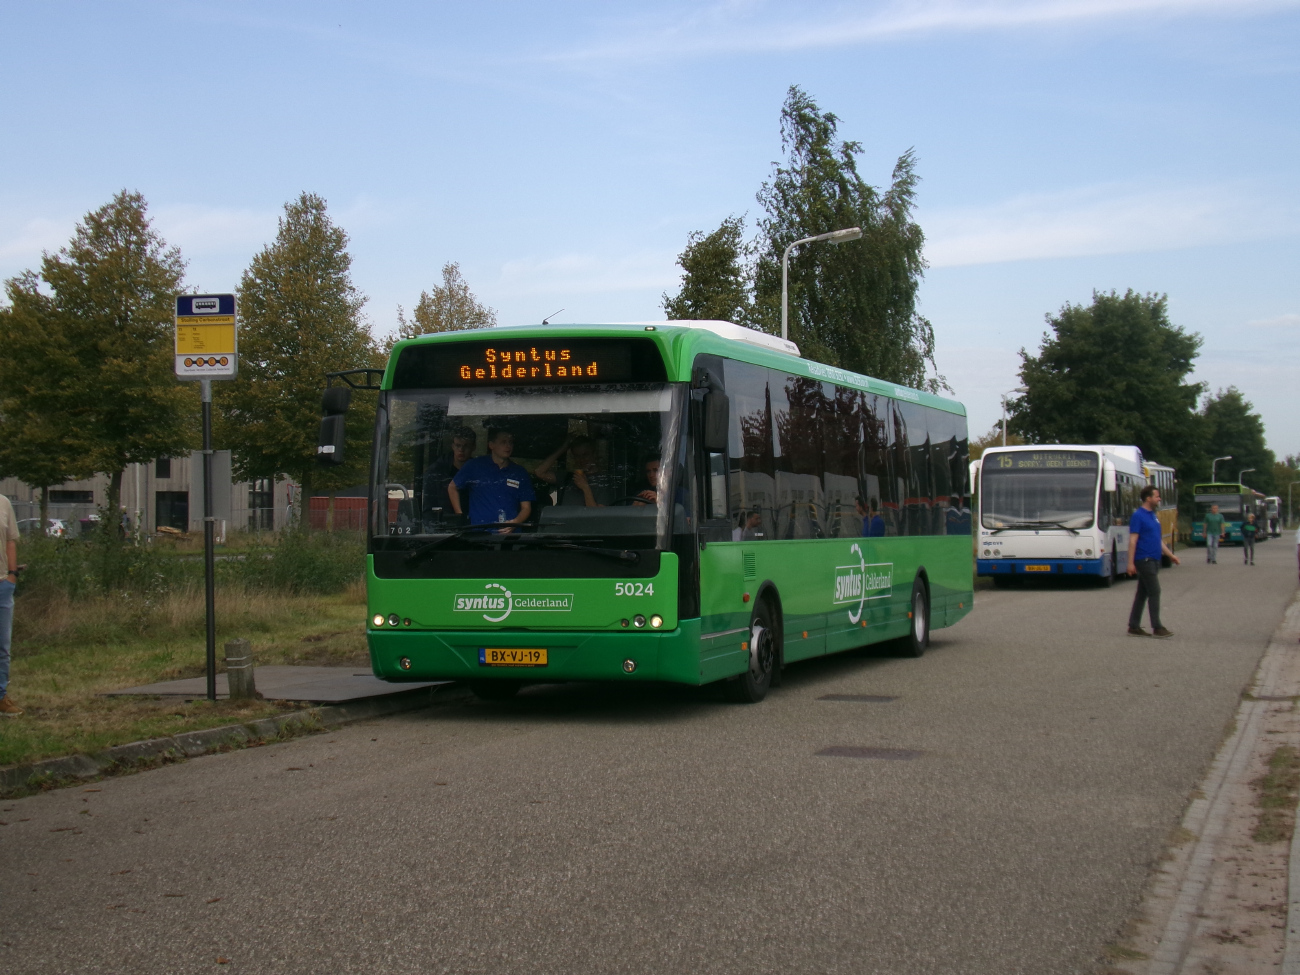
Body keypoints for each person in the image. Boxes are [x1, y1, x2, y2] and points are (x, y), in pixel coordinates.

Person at [448, 428, 535, 530]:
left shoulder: (520, 472)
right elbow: (452, 487)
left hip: (510, 536)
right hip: (479, 534)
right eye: (503, 442)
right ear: (491, 445)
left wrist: (515, 523)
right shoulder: (475, 465)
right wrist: (460, 516)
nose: (508, 446)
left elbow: (526, 507)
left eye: (510, 442)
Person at [1127, 484, 1181, 638]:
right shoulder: (1138, 515)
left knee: (1142, 593)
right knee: (1155, 591)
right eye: (1157, 496)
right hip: (1144, 559)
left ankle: (1134, 625)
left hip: (1154, 559)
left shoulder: (1153, 516)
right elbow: (1133, 540)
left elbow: (1157, 540)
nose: (1159, 499)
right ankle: (1157, 627)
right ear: (1148, 498)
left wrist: (1171, 555)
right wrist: (1130, 563)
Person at [535, 435, 615, 507]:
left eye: (585, 454)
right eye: (577, 456)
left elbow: (597, 516)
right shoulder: (567, 477)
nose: (582, 460)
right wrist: (564, 447)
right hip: (562, 522)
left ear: (594, 454)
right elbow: (539, 472)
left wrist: (585, 487)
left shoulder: (603, 480)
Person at [423, 427, 476, 525]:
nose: (461, 450)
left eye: (466, 446)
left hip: (472, 527)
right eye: (458, 445)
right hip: (444, 528)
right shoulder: (436, 472)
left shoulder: (478, 471)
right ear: (452, 446)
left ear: (473, 447)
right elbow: (429, 510)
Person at [0, 493, 22, 717]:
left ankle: (0, 697)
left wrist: (12, 575)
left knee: (2, 647)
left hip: (2, 584)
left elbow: (9, 540)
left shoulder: (3, 503)